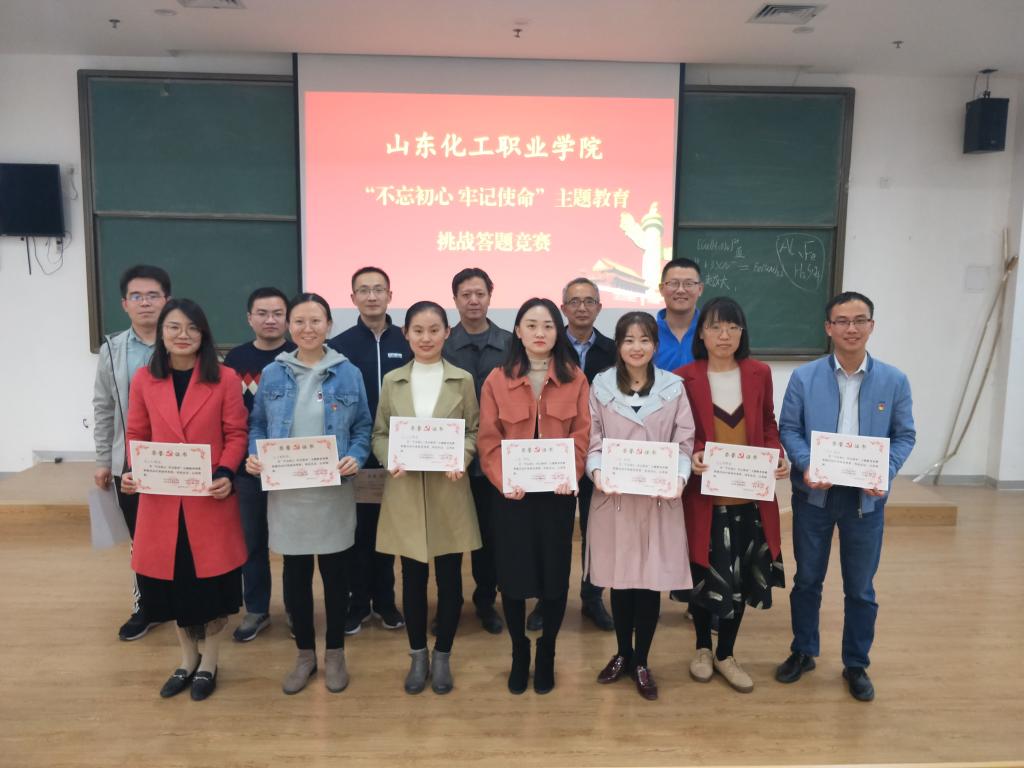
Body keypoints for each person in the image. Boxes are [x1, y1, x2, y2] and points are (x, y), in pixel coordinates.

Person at [775, 291, 916, 702]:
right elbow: (789, 429)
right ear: (828, 327)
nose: (850, 328)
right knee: (807, 580)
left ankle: (856, 663)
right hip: (814, 498)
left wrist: (885, 472)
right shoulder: (805, 378)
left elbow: (904, 435)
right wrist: (807, 465)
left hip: (864, 501)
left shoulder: (894, 380)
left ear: (871, 325)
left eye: (859, 320)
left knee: (860, 588)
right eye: (842, 321)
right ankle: (803, 651)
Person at [120, 298, 248, 701]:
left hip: (208, 500)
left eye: (192, 328)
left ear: (203, 335)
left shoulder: (225, 378)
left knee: (207, 586)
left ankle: (209, 661)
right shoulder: (144, 379)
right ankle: (186, 658)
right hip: (161, 502)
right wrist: (134, 470)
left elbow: (236, 434)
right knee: (172, 585)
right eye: (174, 327)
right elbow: (137, 433)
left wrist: (226, 472)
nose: (183, 335)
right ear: (161, 333)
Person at [246, 292, 372, 695]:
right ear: (289, 326)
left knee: (335, 576)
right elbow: (258, 424)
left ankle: (335, 653)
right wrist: (255, 454)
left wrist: (355, 456)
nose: (307, 328)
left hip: (332, 491)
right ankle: (304, 654)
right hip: (288, 492)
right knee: (296, 576)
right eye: (299, 321)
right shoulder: (273, 373)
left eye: (316, 321)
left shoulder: (348, 372)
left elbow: (363, 427)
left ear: (329, 325)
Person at [478, 298, 591, 695]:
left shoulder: (576, 379)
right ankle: (519, 652)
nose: (540, 333)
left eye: (548, 325)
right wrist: (503, 479)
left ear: (558, 332)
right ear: (518, 331)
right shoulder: (497, 380)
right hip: (513, 496)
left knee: (554, 579)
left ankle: (547, 652)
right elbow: (488, 440)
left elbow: (583, 435)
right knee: (512, 578)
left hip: (557, 497)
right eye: (531, 325)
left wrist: (571, 473)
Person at [677, 297, 789, 693]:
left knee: (740, 577)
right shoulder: (683, 377)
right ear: (701, 334)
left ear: (742, 333)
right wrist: (692, 454)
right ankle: (702, 648)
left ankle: (726, 653)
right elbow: (680, 432)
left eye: (732, 327)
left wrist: (777, 455)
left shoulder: (759, 373)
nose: (724, 335)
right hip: (704, 500)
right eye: (715, 327)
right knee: (703, 576)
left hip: (749, 498)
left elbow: (768, 424)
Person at [372, 301, 481, 695]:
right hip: (405, 491)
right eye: (418, 330)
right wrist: (391, 458)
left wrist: (461, 457)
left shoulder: (463, 379)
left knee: (450, 581)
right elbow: (380, 433)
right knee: (413, 580)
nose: (426, 338)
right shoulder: (393, 381)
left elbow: (473, 430)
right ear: (406, 334)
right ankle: (417, 655)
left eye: (434, 330)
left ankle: (443, 655)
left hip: (448, 490)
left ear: (447, 333)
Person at [587, 312, 695, 700]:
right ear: (618, 345)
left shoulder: (673, 387)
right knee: (620, 579)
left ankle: (642, 660)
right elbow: (593, 440)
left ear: (655, 345)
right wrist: (597, 472)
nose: (637, 347)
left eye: (645, 339)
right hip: (615, 498)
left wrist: (678, 478)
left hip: (658, 499)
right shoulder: (601, 385)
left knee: (650, 581)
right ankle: (622, 653)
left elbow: (685, 443)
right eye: (629, 340)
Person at [518, 277, 617, 633]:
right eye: (574, 301)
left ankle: (592, 597)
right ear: (563, 308)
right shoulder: (548, 344)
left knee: (596, 531)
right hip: (552, 458)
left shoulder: (614, 349)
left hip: (598, 453)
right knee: (552, 534)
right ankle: (546, 600)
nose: (582, 307)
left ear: (599, 308)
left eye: (589, 301)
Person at [329, 266, 411, 635]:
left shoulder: (407, 340)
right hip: (356, 454)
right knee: (359, 533)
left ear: (390, 295)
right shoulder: (340, 347)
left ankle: (387, 603)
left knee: (389, 531)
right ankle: (358, 604)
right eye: (364, 290)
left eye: (379, 289)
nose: (372, 296)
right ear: (353, 298)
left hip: (400, 453)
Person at [92, 264, 171, 641]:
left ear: (167, 300)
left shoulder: (183, 340)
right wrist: (102, 460)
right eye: (137, 296)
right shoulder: (112, 348)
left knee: (181, 535)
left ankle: (182, 602)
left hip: (180, 461)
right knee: (142, 539)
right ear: (125, 304)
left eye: (153, 295)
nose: (145, 303)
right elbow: (103, 407)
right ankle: (147, 607)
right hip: (131, 461)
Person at [223, 287, 296, 642]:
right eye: (262, 313)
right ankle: (257, 609)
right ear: (249, 318)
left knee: (295, 544)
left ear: (288, 319)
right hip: (248, 467)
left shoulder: (299, 356)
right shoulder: (235, 359)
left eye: (278, 313)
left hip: (293, 468)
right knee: (252, 542)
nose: (270, 320)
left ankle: (297, 609)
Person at [442, 267, 511, 635]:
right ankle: (448, 606)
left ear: (490, 295)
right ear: (455, 298)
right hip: (447, 458)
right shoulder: (442, 342)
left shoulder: (510, 343)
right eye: (465, 294)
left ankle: (486, 602)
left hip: (494, 459)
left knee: (489, 536)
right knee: (450, 536)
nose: (473, 300)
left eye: (479, 293)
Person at [654, 257, 704, 372]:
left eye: (689, 284)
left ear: (700, 289)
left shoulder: (712, 331)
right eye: (673, 283)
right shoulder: (648, 333)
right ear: (661, 289)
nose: (681, 290)